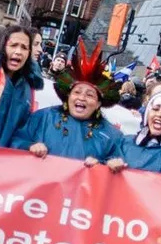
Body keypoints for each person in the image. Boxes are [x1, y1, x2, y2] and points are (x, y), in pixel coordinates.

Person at [12, 40, 125, 168]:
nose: (81, 98)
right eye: (77, 92)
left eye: (89, 95)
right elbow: (16, 141)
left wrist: (103, 166)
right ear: (68, 96)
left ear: (98, 103)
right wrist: (30, 146)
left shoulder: (111, 136)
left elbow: (117, 165)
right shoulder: (43, 118)